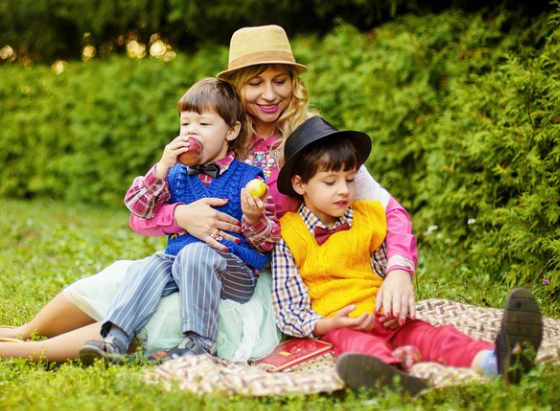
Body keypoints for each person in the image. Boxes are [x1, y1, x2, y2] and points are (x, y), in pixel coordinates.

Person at [0, 25, 415, 362]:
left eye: (280, 81)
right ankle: (24, 331)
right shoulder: (211, 134)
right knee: (124, 278)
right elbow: (141, 215)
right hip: (190, 258)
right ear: (235, 87)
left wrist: (398, 269)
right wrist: (181, 216)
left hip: (263, 276)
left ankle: (27, 352)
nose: (270, 94)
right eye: (255, 83)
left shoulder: (312, 142)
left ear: (294, 83)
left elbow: (386, 209)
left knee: (166, 312)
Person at [271, 116, 544, 396]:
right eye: (330, 182)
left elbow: (384, 274)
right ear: (300, 184)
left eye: (350, 179)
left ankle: (497, 362)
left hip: (385, 317)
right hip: (343, 323)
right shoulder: (288, 235)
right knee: (360, 347)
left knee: (435, 336)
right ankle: (390, 378)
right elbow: (290, 310)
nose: (344, 189)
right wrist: (330, 323)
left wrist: (394, 309)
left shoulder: (368, 218)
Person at [78, 78, 280, 365]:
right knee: (149, 264)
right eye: (185, 124)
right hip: (180, 265)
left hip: (234, 273)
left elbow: (268, 240)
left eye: (204, 124)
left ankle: (200, 343)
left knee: (195, 253)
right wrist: (161, 167)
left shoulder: (249, 178)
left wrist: (254, 218)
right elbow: (138, 208)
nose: (191, 131)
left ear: (231, 131)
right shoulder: (174, 174)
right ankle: (115, 340)